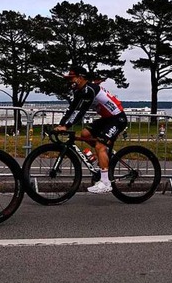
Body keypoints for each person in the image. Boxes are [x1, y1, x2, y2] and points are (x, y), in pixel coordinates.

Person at [53, 66, 128, 194]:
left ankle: (105, 183)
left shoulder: (89, 90)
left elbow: (80, 111)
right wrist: (61, 124)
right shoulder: (80, 91)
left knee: (99, 146)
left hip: (117, 118)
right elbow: (72, 109)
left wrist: (67, 126)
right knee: (85, 134)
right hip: (107, 119)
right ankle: (103, 155)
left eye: (72, 78)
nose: (70, 82)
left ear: (80, 78)